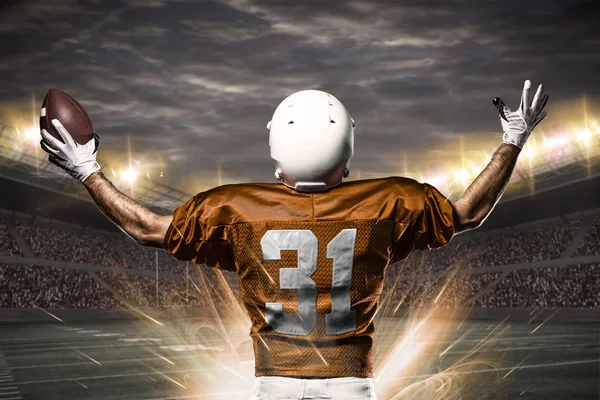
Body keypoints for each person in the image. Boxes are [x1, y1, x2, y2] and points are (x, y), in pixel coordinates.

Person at [39, 81, 548, 400]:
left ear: (275, 151)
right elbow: (469, 212)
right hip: (352, 383)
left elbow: (146, 227)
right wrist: (513, 139)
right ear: (347, 150)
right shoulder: (388, 200)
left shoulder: (237, 206)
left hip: (274, 384)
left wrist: (87, 170)